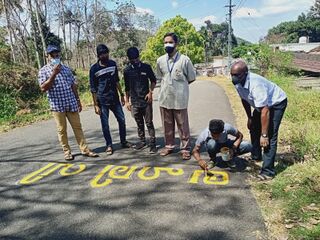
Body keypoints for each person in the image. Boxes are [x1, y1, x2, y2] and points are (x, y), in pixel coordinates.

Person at [38, 44, 98, 161]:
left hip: (70, 102)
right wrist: (54, 74)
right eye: (52, 55)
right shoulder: (43, 71)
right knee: (61, 130)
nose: (55, 56)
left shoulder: (66, 69)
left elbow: (73, 86)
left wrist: (78, 100)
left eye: (57, 54)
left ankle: (85, 149)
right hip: (57, 106)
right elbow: (43, 88)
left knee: (78, 127)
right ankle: (67, 152)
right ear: (47, 56)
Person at [231, 60, 287, 180]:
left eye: (236, 75)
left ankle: (268, 171)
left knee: (270, 137)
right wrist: (250, 118)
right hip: (261, 106)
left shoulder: (256, 84)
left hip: (276, 103)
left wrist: (264, 134)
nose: (234, 77)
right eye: (232, 74)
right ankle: (256, 156)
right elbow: (244, 99)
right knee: (253, 128)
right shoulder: (237, 83)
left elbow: (265, 110)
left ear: (245, 73)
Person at [156, 32, 196, 160]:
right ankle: (169, 146)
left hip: (179, 99)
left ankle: (185, 148)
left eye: (170, 42)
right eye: (165, 42)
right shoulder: (160, 60)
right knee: (167, 124)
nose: (167, 44)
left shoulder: (184, 60)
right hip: (165, 98)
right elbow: (160, 77)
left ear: (176, 44)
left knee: (182, 124)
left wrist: (180, 87)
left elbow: (191, 78)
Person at [89, 44, 131, 155]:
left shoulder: (113, 64)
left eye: (106, 53)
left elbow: (117, 80)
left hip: (115, 99)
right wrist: (95, 105)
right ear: (98, 56)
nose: (104, 55)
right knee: (105, 124)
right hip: (102, 101)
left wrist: (122, 95)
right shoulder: (94, 69)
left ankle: (123, 141)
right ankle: (109, 145)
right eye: (102, 54)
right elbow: (93, 89)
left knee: (122, 120)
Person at [124, 47, 157, 154]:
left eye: (137, 58)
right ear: (129, 59)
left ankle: (152, 143)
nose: (135, 61)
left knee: (149, 122)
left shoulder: (146, 67)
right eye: (133, 59)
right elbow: (127, 87)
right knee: (139, 123)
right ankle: (142, 141)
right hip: (134, 102)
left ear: (139, 56)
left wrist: (150, 92)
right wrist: (127, 101)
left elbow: (153, 80)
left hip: (146, 101)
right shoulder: (127, 70)